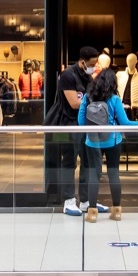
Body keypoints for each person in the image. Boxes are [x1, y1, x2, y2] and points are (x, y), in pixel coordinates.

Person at [79, 52, 138, 223]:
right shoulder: (115, 99)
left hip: (92, 141)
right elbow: (125, 123)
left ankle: (92, 213)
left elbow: (81, 121)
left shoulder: (87, 97)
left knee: (94, 174)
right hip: (113, 140)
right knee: (113, 173)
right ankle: (116, 211)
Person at [51, 46, 98, 216]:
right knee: (69, 162)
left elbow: (89, 99)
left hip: (86, 124)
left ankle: (85, 201)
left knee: (88, 162)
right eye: (91, 64)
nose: (93, 67)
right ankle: (69, 201)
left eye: (95, 64)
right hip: (69, 124)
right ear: (82, 62)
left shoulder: (88, 77)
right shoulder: (67, 76)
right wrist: (95, 103)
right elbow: (74, 103)